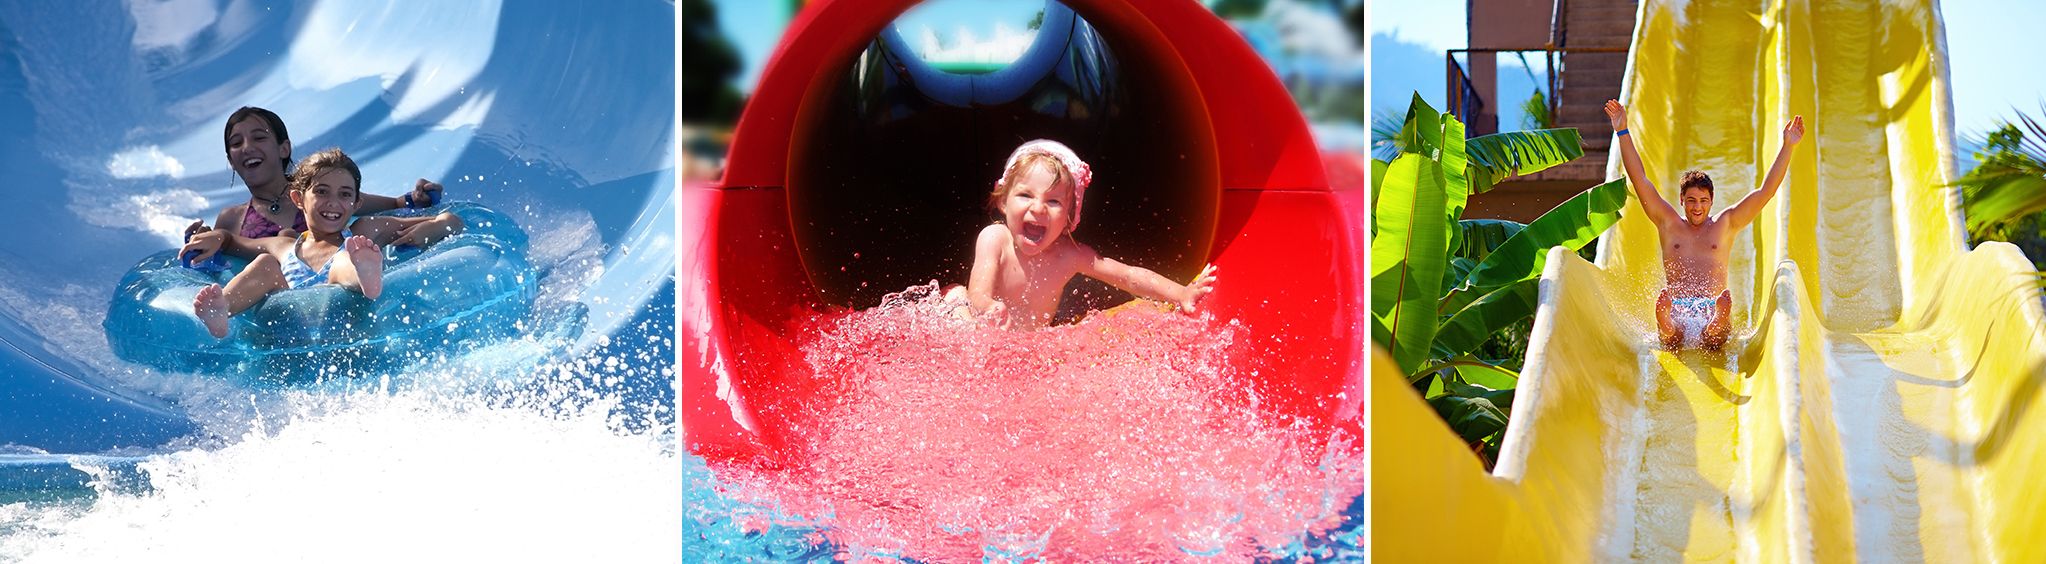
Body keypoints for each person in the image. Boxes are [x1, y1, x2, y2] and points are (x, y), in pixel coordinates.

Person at [181, 148, 467, 339]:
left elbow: (451, 219)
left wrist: (438, 225)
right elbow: (235, 243)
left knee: (347, 257)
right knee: (265, 264)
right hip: (293, 327)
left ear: (357, 203)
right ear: (298, 199)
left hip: (349, 327)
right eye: (321, 191)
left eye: (345, 195)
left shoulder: (366, 229)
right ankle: (223, 308)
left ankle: (366, 276)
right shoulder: (284, 246)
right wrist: (215, 236)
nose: (334, 202)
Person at [941, 139, 1218, 329]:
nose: (1038, 208)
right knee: (957, 304)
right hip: (978, 324)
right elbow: (979, 292)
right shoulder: (994, 240)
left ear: (1068, 219)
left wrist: (1181, 294)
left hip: (1027, 341)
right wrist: (988, 307)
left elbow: (1129, 277)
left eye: (1053, 202)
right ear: (1003, 201)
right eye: (1025, 195)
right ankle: (949, 296)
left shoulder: (1070, 255)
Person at [1605, 99, 1805, 350]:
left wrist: (1788, 146)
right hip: (1677, 306)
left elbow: (1766, 192)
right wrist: (1622, 130)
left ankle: (1715, 322)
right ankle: (1666, 321)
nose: (1696, 207)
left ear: (1711, 202)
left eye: (1702, 201)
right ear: (1681, 200)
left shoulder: (1726, 224)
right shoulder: (1668, 224)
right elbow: (1640, 180)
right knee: (1671, 338)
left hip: (1712, 304)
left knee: (1715, 339)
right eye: (1691, 201)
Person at [186, 106, 443, 240]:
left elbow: (398, 205)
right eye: (236, 143)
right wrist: (203, 242)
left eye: (259, 137)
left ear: (284, 148)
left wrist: (418, 199)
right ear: (231, 160)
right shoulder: (231, 219)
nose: (247, 148)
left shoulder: (320, 193)